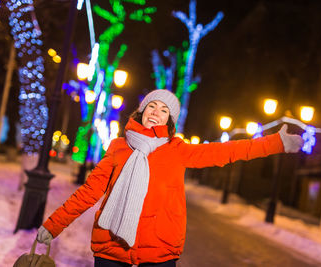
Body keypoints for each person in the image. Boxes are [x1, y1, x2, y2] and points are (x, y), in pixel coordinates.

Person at [36, 89, 303, 266]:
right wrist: (52, 226)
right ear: (141, 112)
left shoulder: (178, 151)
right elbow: (89, 192)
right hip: (111, 248)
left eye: (163, 110)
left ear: (169, 120)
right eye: (151, 106)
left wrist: (275, 143)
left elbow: (228, 151)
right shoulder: (119, 147)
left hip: (159, 251)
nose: (155, 111)